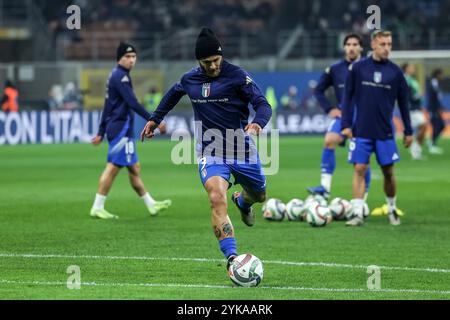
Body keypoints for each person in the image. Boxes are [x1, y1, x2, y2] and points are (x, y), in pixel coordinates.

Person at [141, 28, 272, 270]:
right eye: (207, 62)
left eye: (216, 60)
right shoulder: (189, 79)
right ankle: (233, 260)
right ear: (198, 61)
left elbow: (263, 104)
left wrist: (256, 123)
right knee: (215, 198)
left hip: (241, 148)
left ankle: (244, 202)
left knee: (260, 196)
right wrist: (155, 118)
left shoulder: (237, 76)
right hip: (210, 151)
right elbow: (173, 94)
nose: (213, 66)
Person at [90, 42, 172, 219]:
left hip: (120, 129)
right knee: (113, 167)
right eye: (127, 57)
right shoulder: (121, 77)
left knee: (134, 168)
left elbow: (106, 107)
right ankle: (97, 206)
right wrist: (154, 120)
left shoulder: (117, 75)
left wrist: (101, 132)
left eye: (134, 56)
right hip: (120, 129)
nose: (131, 60)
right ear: (119, 58)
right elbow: (132, 103)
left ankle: (151, 204)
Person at [341, 30, 413, 227]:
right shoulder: (358, 69)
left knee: (388, 171)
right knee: (359, 169)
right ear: (373, 45)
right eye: (383, 44)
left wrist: (409, 131)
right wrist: (346, 124)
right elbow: (347, 98)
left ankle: (391, 208)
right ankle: (356, 213)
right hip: (361, 130)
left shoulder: (396, 73)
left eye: (389, 44)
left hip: (385, 132)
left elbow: (404, 104)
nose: (387, 48)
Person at [307, 34, 371, 200]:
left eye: (355, 44)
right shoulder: (335, 69)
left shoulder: (369, 67)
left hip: (365, 116)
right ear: (344, 47)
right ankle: (325, 189)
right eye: (348, 44)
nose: (351, 47)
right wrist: (330, 108)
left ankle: (362, 199)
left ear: (361, 48)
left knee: (362, 158)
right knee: (329, 140)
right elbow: (318, 90)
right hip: (344, 114)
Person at [402, 63, 427, 160]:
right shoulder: (405, 79)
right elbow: (406, 95)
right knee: (423, 126)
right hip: (411, 108)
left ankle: (415, 150)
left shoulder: (412, 80)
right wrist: (418, 96)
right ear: (406, 69)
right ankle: (415, 149)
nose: (413, 69)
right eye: (411, 67)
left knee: (420, 128)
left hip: (417, 107)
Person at [426, 68, 446, 155]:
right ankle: (432, 145)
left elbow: (437, 97)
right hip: (433, 109)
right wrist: (436, 108)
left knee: (441, 126)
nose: (442, 76)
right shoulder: (433, 83)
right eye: (441, 74)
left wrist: (440, 107)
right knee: (437, 126)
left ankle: (432, 142)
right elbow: (432, 97)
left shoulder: (436, 83)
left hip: (436, 108)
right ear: (438, 74)